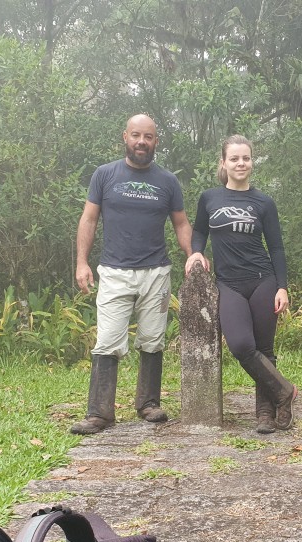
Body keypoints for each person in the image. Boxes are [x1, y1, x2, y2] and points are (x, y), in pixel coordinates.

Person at [71, 114, 192, 435]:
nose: (142, 141)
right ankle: (99, 413)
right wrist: (82, 262)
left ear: (156, 141)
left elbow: (181, 223)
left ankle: (148, 403)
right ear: (125, 137)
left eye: (148, 137)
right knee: (108, 340)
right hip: (114, 272)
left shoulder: (168, 181)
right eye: (136, 135)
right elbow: (88, 219)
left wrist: (193, 256)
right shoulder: (104, 175)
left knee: (153, 338)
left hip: (156, 273)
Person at [186, 135, 297, 433]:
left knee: (264, 348)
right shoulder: (210, 198)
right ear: (223, 162)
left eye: (245, 158)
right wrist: (196, 252)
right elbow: (199, 231)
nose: (240, 163)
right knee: (241, 345)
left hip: (263, 281)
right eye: (234, 158)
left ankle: (265, 414)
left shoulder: (264, 202)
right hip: (229, 284)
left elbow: (276, 248)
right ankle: (284, 391)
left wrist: (282, 286)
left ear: (251, 162)